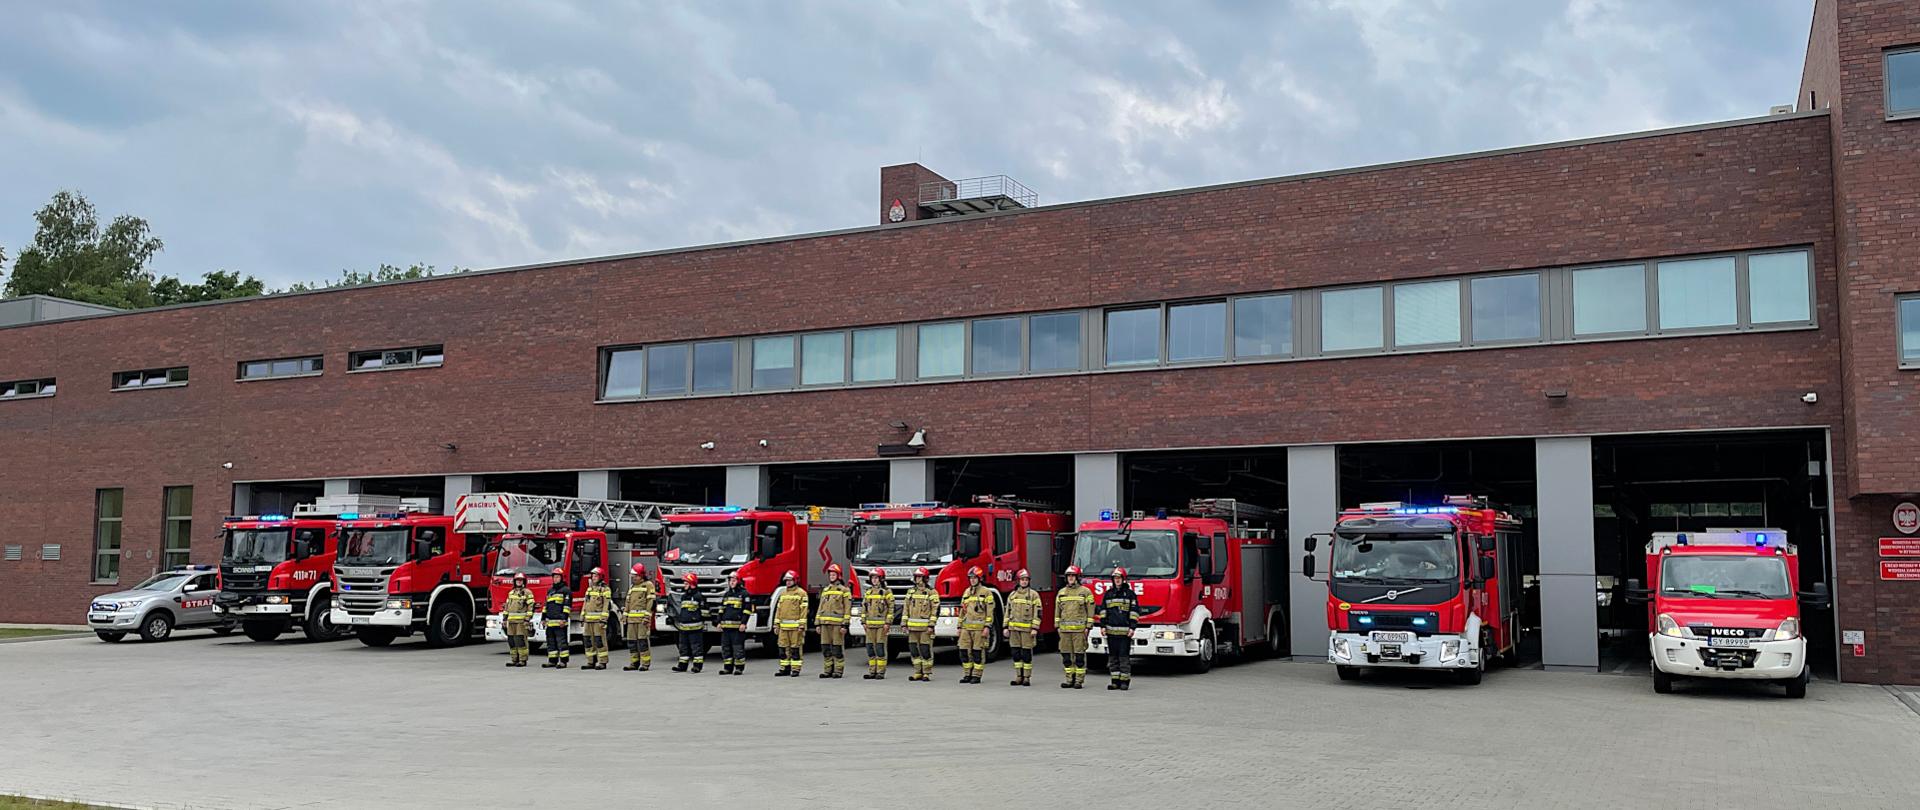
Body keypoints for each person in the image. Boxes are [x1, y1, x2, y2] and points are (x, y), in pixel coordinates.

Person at [1100, 567, 1142, 691]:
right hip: (1111, 632)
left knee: (1124, 658)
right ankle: (1115, 681)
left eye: (1119, 578)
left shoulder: (1130, 594)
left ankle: (1124, 682)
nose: (1117, 580)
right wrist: (1103, 626)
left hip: (1124, 633)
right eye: (1115, 578)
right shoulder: (1108, 594)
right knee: (1113, 658)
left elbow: (1134, 612)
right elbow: (1103, 611)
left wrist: (1132, 627)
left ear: (1123, 579)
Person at [1054, 565, 1095, 689]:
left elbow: (1090, 611)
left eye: (1073, 576)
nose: (1071, 578)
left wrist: (1088, 627)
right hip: (1064, 631)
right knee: (1066, 656)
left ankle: (1078, 680)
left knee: (1079, 657)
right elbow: (1057, 612)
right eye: (1069, 576)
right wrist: (1057, 626)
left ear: (1078, 577)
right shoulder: (1061, 593)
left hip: (1079, 631)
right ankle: (1069, 679)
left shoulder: (1085, 592)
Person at [957, 566, 996, 684]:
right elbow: (962, 611)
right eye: (970, 578)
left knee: (977, 652)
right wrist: (959, 626)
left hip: (979, 629)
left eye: (974, 578)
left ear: (980, 578)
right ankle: (967, 674)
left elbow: (990, 612)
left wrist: (987, 627)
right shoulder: (966, 592)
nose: (972, 580)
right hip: (966, 628)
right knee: (964, 651)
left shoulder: (986, 592)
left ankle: (976, 675)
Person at [1004, 568, 1042, 686]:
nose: (1024, 582)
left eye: (1026, 579)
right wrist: (1005, 627)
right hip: (1013, 630)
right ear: (1018, 581)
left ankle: (1026, 677)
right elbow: (1007, 611)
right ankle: (1018, 676)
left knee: (1026, 654)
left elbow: (1038, 613)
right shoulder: (1012, 595)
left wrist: (1035, 628)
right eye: (1022, 579)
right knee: (1016, 654)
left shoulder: (1033, 595)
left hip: (1027, 630)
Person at [816, 564, 853, 679]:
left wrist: (845, 625)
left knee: (837, 648)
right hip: (824, 624)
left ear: (839, 576)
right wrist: (817, 623)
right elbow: (820, 607)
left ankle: (838, 671)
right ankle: (827, 670)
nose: (831, 576)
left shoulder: (844, 590)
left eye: (834, 574)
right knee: (825, 648)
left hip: (837, 625)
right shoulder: (825, 590)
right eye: (830, 575)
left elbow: (847, 609)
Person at [902, 567, 939, 682]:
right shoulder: (911, 592)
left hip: (925, 628)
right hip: (912, 628)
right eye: (916, 576)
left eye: (919, 577)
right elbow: (905, 608)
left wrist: (931, 625)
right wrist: (904, 624)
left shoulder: (931, 592)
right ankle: (917, 672)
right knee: (914, 650)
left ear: (925, 578)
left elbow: (935, 610)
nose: (917, 579)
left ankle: (926, 673)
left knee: (925, 650)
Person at [861, 568, 897, 679]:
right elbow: (864, 608)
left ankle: (880, 672)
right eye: (872, 578)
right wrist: (863, 622)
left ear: (881, 579)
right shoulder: (868, 592)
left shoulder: (887, 592)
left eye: (876, 578)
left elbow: (891, 608)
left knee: (880, 648)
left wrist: (888, 623)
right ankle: (872, 671)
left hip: (881, 626)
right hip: (869, 625)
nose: (874, 580)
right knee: (870, 649)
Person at [772, 570, 808, 677]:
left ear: (795, 580)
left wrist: (802, 625)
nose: (788, 582)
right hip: (783, 628)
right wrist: (776, 624)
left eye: (790, 580)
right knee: (783, 648)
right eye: (786, 580)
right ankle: (785, 668)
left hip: (796, 628)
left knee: (795, 649)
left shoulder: (801, 593)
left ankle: (795, 669)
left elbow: (804, 611)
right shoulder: (783, 593)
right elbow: (778, 610)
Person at [622, 564, 658, 671]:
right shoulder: (632, 587)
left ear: (641, 575)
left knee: (643, 641)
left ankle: (645, 663)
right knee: (631, 642)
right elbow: (628, 602)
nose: (633, 578)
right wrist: (625, 615)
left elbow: (651, 602)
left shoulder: (648, 585)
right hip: (631, 620)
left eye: (635, 576)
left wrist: (647, 617)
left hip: (642, 620)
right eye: (633, 576)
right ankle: (634, 663)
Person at [671, 572, 706, 673]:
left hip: (695, 628)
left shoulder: (699, 596)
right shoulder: (684, 596)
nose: (684, 585)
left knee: (696, 647)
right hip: (684, 628)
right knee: (683, 647)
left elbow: (705, 612)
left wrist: (698, 619)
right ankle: (682, 666)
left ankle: (697, 666)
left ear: (692, 584)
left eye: (686, 583)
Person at [716, 571, 750, 675]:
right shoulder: (727, 594)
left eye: (734, 580)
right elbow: (721, 609)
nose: (731, 582)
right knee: (726, 648)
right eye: (730, 580)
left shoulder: (744, 594)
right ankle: (727, 668)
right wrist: (719, 622)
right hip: (726, 627)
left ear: (738, 581)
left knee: (737, 648)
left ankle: (739, 668)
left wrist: (743, 623)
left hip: (737, 627)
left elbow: (747, 610)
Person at [579, 567, 613, 671]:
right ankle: (591, 661)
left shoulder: (605, 589)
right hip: (588, 621)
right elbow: (585, 603)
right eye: (592, 576)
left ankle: (602, 661)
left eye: (596, 576)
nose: (593, 578)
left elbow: (606, 606)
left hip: (598, 621)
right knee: (588, 641)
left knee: (600, 641)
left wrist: (603, 619)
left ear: (601, 577)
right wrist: (582, 616)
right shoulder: (589, 589)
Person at [501, 572, 536, 668]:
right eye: (517, 580)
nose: (519, 582)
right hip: (511, 622)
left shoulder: (527, 592)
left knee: (520, 641)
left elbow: (531, 606)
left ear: (524, 581)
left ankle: (522, 660)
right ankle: (514, 659)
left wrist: (527, 619)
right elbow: (507, 607)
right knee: (512, 641)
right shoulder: (511, 593)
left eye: (521, 580)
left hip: (521, 622)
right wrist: (504, 619)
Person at [541, 568, 572, 669]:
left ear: (562, 578)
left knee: (561, 642)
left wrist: (564, 619)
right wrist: (543, 618)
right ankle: (552, 661)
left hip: (560, 622)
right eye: (554, 577)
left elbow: (567, 606)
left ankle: (563, 661)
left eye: (557, 577)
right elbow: (546, 605)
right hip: (550, 622)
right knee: (551, 642)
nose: (555, 579)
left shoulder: (566, 591)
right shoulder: (550, 591)